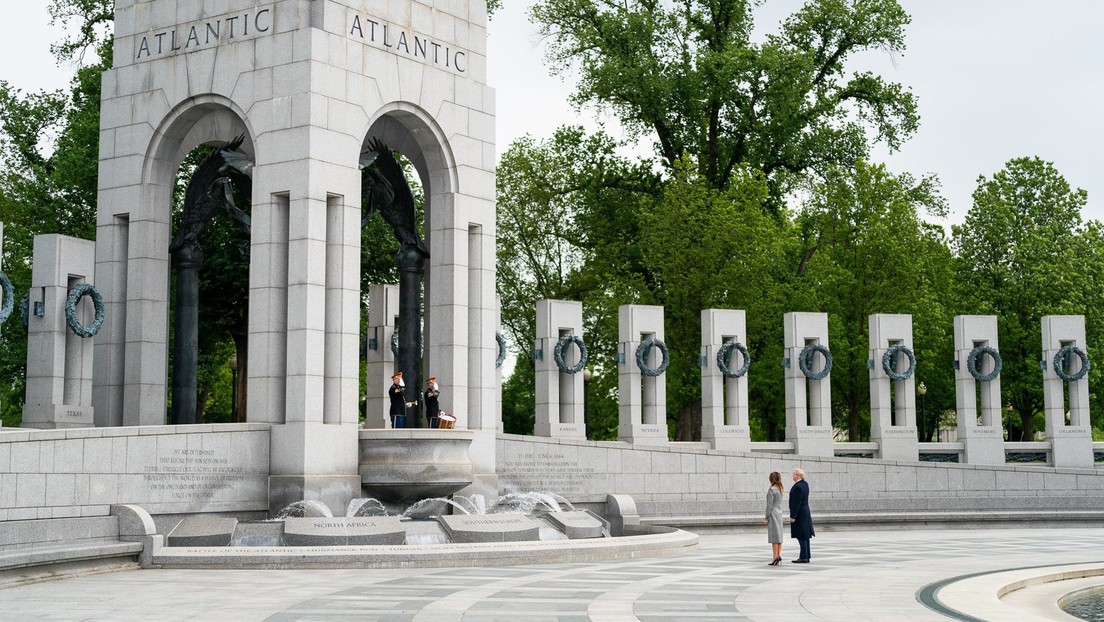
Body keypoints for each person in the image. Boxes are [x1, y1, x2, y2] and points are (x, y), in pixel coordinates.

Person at [789, 467, 814, 563]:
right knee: (805, 535)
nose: (792, 476)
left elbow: (796, 502)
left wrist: (793, 516)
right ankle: (806, 555)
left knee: (801, 535)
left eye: (793, 474)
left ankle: (803, 556)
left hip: (800, 514)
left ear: (797, 475)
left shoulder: (798, 486)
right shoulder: (805, 484)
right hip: (805, 512)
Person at [764, 471, 785, 565]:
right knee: (779, 536)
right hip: (779, 513)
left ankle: (775, 557)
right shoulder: (780, 489)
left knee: (774, 537)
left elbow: (769, 505)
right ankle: (779, 555)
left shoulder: (771, 489)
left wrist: (766, 517)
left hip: (773, 514)